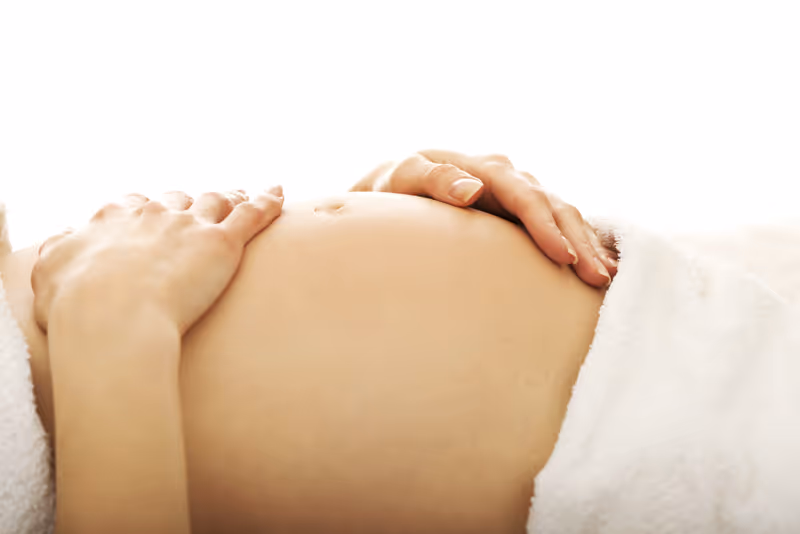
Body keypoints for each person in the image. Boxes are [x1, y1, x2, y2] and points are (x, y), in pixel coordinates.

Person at [0, 149, 619, 534]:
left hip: (642, 296)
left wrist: (375, 208)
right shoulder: (104, 310)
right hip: (625, 458)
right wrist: (113, 315)